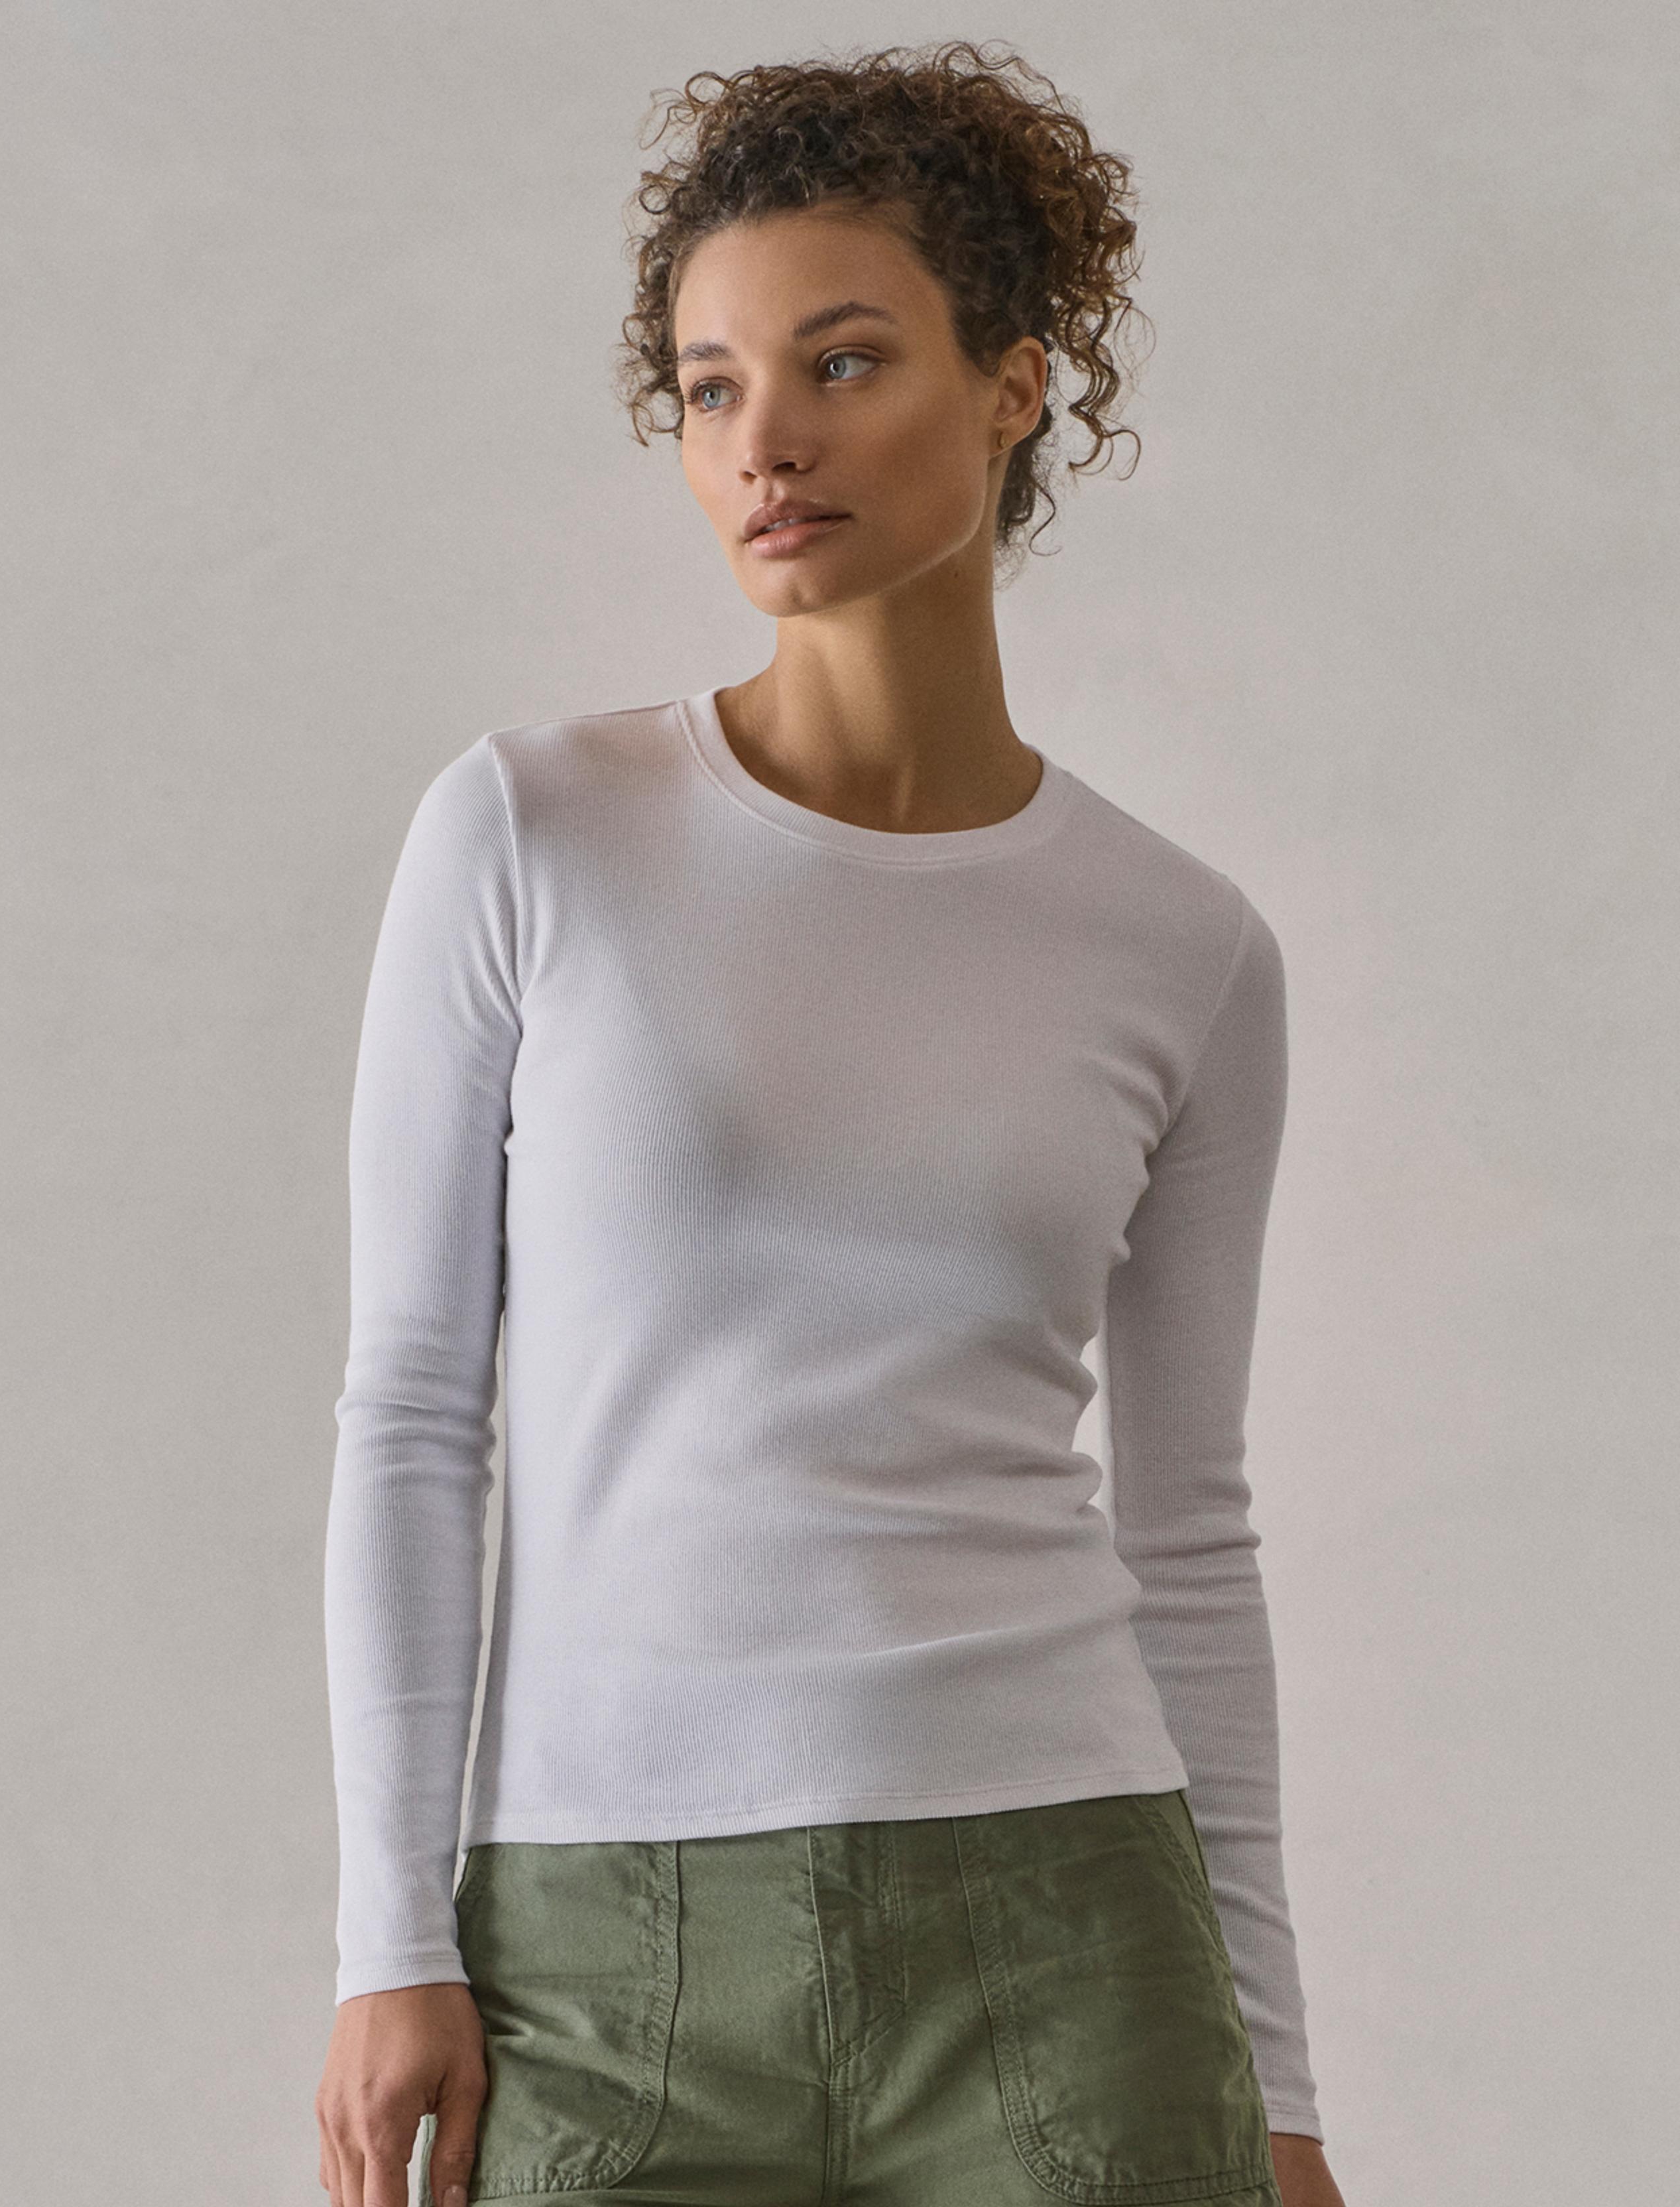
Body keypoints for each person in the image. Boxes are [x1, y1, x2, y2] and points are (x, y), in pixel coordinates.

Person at [314, 39, 1347, 2207]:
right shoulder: (534, 836)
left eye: (843, 362)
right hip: (602, 1950)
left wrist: (1278, 2082)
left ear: (1015, 386)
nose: (763, 441)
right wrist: (389, 1941)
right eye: (710, 389)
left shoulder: (1184, 949)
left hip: (1073, 1926)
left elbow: (1189, 1533)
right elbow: (413, 1409)